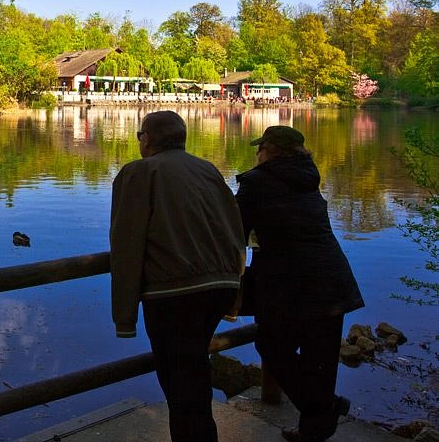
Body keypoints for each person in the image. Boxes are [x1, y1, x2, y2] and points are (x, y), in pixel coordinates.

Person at [110, 110, 245, 442]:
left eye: (139, 135)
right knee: (192, 371)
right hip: (220, 286)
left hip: (174, 294)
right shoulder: (208, 170)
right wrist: (234, 297)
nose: (139, 141)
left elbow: (126, 244)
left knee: (180, 382)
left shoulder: (139, 172)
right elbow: (235, 229)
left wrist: (124, 319)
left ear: (148, 139)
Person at [236, 125, 365, 442]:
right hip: (333, 281)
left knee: (271, 346)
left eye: (260, 148)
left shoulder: (255, 183)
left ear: (270, 150)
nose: (257, 154)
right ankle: (314, 429)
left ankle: (325, 408)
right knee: (319, 360)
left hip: (289, 286)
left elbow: (234, 232)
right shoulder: (309, 179)